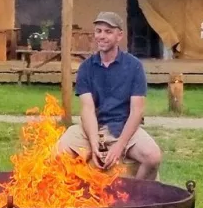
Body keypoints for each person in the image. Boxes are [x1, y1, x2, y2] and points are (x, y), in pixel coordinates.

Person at [56, 11, 163, 180]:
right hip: (93, 128)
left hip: (122, 127)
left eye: (108, 31)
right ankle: (74, 197)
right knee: (59, 152)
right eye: (98, 31)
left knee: (153, 156)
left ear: (119, 35)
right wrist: (93, 143)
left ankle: (137, 195)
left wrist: (119, 146)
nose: (102, 36)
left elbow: (137, 112)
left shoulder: (134, 66)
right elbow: (87, 110)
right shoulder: (86, 67)